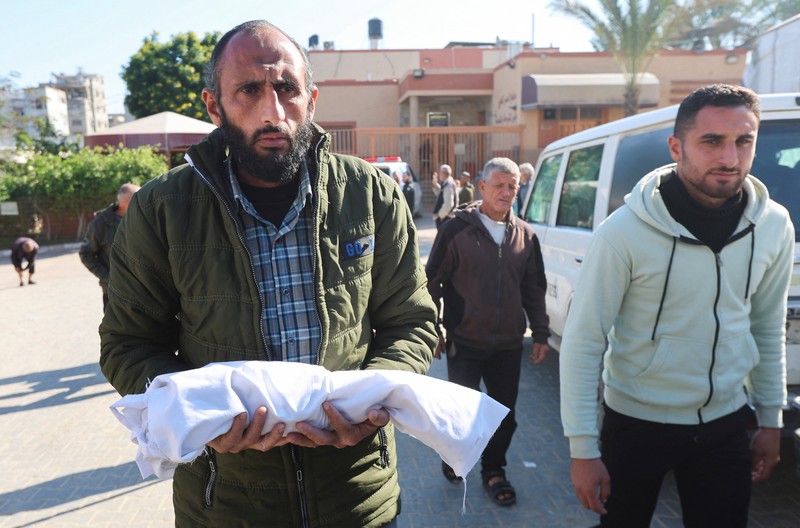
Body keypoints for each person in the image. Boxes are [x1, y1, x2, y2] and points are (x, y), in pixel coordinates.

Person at [98, 20, 438, 528]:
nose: (273, 112)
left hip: (356, 496)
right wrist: (198, 415)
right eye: (249, 91)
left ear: (312, 99)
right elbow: (127, 343)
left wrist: (372, 403)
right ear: (214, 106)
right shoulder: (161, 209)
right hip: (224, 506)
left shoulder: (371, 195)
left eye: (287, 88)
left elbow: (412, 322)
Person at [559, 84, 794, 527]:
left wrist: (770, 420)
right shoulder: (622, 233)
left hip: (727, 422)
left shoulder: (774, 225)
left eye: (743, 141)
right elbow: (584, 340)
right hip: (636, 423)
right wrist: (583, 449)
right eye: (712, 141)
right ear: (676, 147)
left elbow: (767, 326)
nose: (730, 158)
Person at [425, 157, 550, 507]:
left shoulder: (526, 235)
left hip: (508, 344)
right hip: (464, 340)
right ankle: (456, 457)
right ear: (482, 187)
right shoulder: (455, 230)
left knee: (504, 415)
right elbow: (431, 283)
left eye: (513, 186)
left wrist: (541, 333)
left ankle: (494, 470)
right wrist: (432, 329)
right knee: (462, 413)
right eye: (499, 185)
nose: (506, 192)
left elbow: (534, 289)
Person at [79, 183, 140, 309]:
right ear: (128, 202)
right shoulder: (101, 224)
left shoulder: (143, 219)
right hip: (115, 292)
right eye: (139, 199)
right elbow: (86, 253)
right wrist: (107, 276)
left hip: (143, 291)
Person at [431, 164, 458, 229]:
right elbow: (441, 194)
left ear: (444, 173)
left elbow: (448, 204)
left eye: (440, 172)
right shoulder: (447, 183)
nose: (440, 174)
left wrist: (440, 215)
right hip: (446, 218)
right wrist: (435, 185)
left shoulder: (448, 184)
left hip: (446, 218)